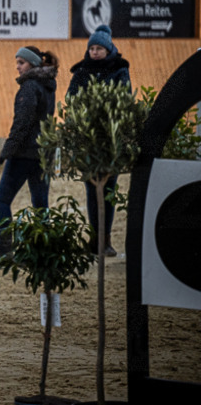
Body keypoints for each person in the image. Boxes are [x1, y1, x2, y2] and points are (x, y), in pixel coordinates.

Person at [0, 46, 59, 267]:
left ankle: (6, 249)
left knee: (2, 200)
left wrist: (8, 150)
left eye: (21, 62)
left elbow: (22, 123)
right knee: (40, 202)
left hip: (24, 153)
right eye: (17, 62)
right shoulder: (48, 86)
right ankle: (43, 251)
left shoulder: (29, 87)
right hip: (42, 152)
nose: (17, 66)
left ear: (32, 64)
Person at [66, 24, 131, 257]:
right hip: (88, 142)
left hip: (110, 142)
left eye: (98, 48)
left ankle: (106, 240)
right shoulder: (81, 72)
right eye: (91, 48)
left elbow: (124, 100)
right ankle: (95, 240)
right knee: (92, 192)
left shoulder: (120, 70)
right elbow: (71, 99)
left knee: (108, 192)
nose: (94, 52)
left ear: (108, 49)